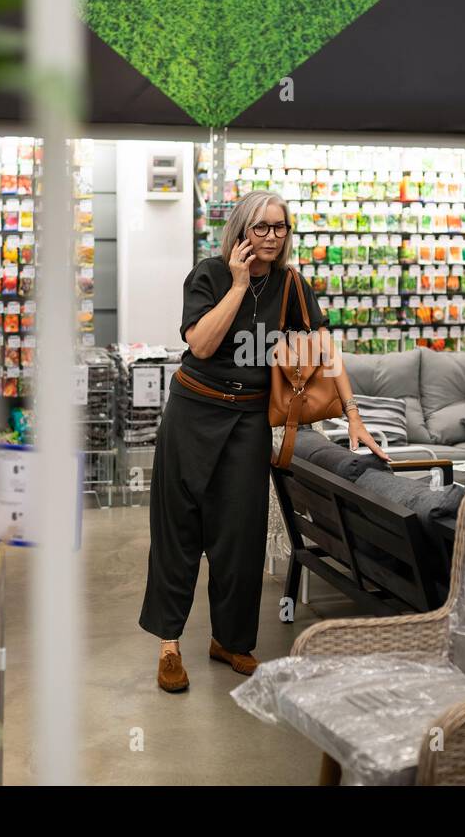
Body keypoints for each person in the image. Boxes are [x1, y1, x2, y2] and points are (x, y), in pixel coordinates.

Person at [138, 190, 389, 691]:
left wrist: (354, 415)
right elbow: (202, 343)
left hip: (248, 420)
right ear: (241, 230)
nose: (272, 237)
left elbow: (325, 347)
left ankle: (230, 641)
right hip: (193, 411)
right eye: (261, 227)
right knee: (179, 528)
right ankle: (169, 643)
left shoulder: (292, 285)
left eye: (280, 228)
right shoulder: (208, 274)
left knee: (241, 535)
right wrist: (237, 282)